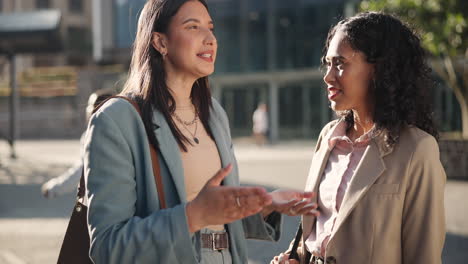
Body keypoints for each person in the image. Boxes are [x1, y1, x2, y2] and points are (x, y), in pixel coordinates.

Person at [84, 0, 319, 263]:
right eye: (193, 27)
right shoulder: (117, 120)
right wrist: (192, 216)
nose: (210, 38)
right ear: (160, 42)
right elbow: (107, 246)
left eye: (211, 27)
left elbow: (215, 219)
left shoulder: (214, 115)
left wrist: (267, 205)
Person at [272, 12, 446, 264]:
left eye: (340, 63)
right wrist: (295, 257)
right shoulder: (328, 136)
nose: (328, 76)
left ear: (378, 69)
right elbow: (319, 229)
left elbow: (424, 256)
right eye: (327, 63)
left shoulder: (417, 149)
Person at [40, 89, 114, 198]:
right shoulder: (122, 133)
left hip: (102, 199)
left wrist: (55, 188)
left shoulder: (92, 136)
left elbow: (82, 170)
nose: (87, 111)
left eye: (90, 106)